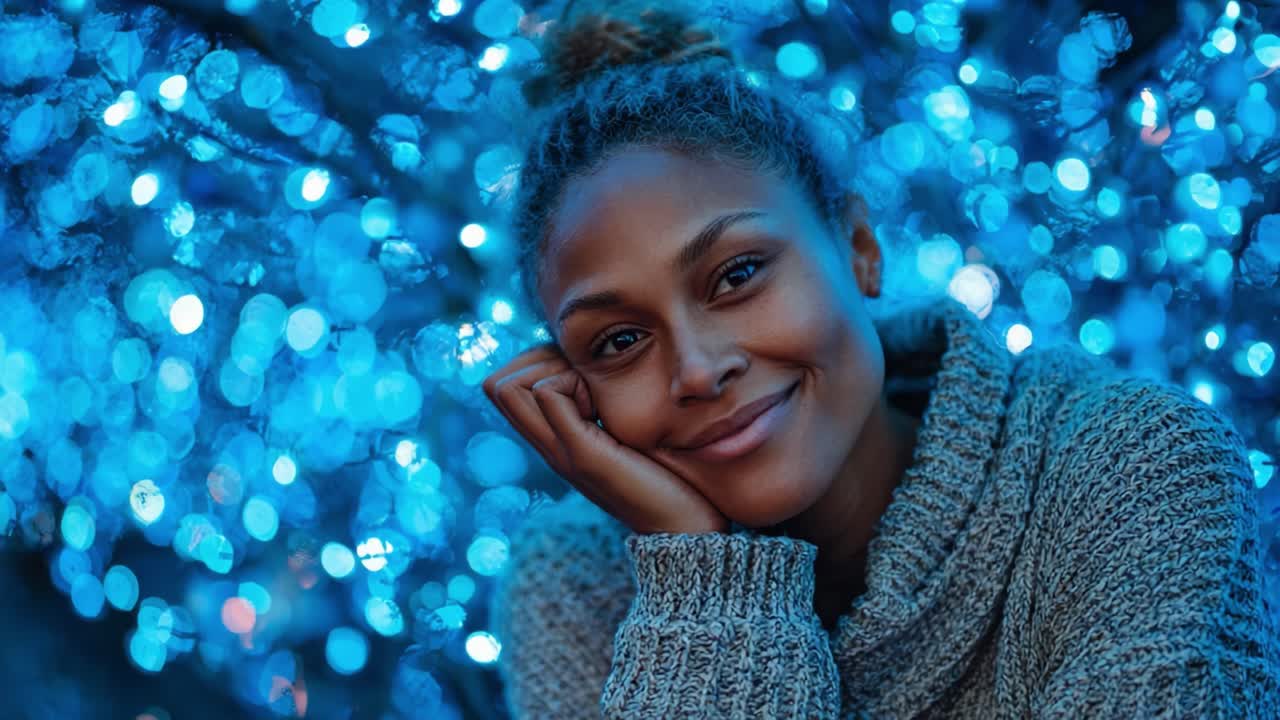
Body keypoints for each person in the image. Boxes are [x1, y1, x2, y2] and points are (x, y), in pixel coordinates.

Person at [482, 2, 1280, 717]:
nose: (696, 370)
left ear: (860, 249)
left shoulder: (1132, 470)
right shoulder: (575, 588)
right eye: (619, 342)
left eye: (736, 276)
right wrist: (702, 582)